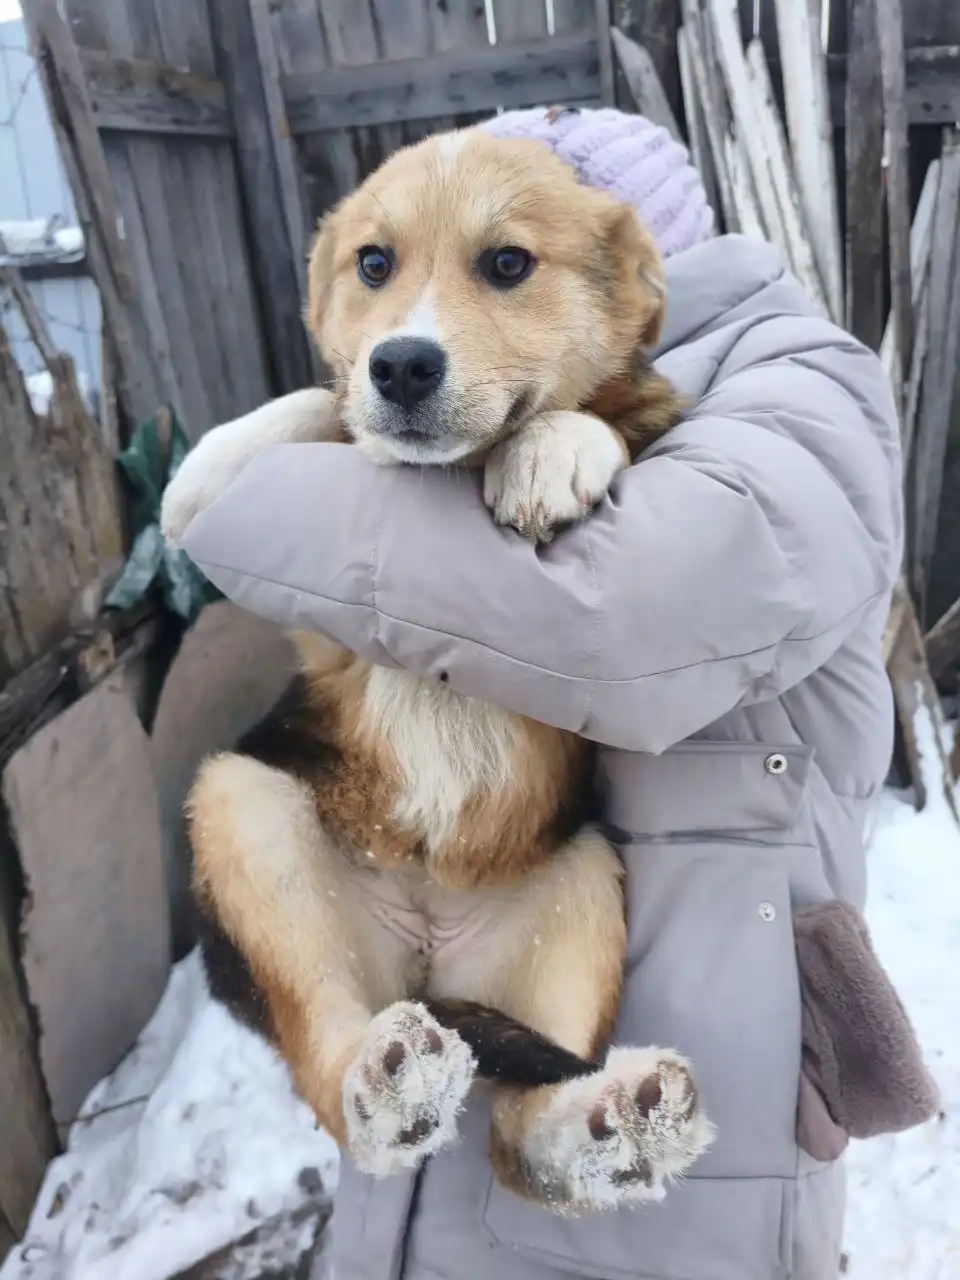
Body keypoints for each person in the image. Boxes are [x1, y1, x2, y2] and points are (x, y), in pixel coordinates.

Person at [172, 108, 925, 1279]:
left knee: (577, 876)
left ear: (638, 281)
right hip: (385, 930)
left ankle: (546, 1120)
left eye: (506, 263)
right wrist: (315, 420)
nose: (415, 324)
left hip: (682, 1074)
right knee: (241, 801)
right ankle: (360, 1074)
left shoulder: (800, 388)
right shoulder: (427, 400)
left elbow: (621, 609)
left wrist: (265, 492)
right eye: (376, 267)